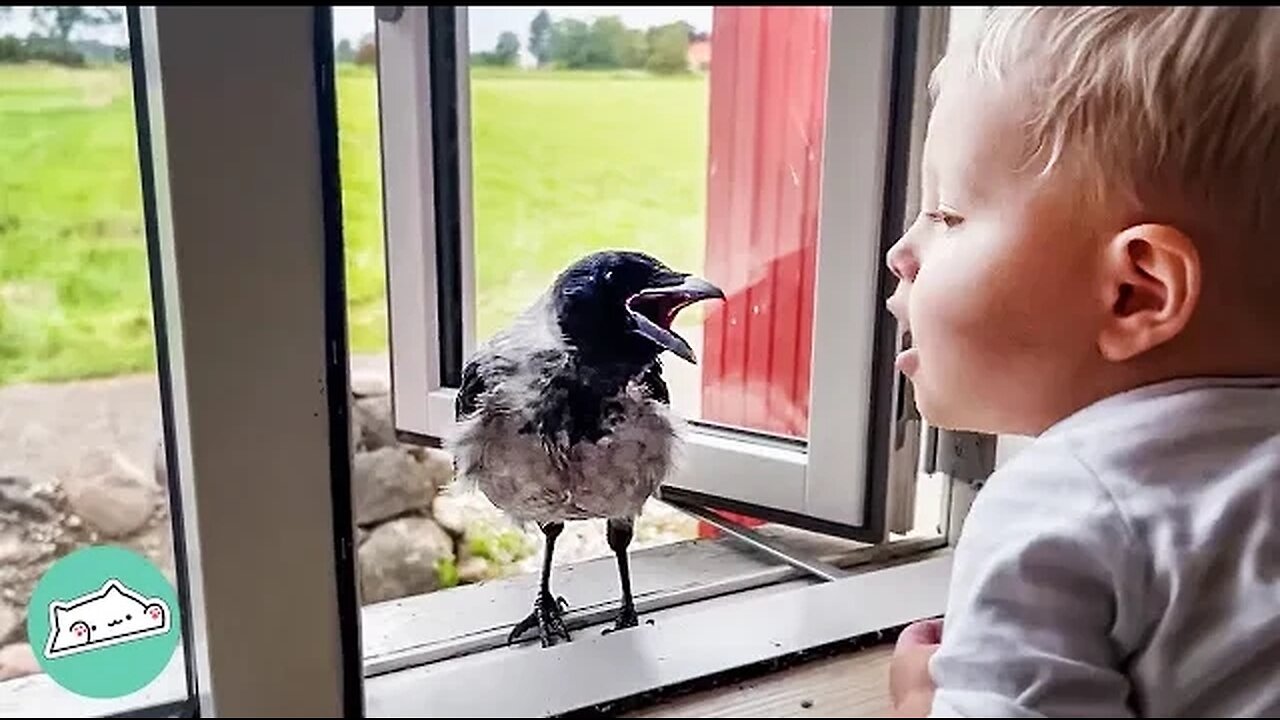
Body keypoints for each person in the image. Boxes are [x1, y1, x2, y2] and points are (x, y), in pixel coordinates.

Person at [882, 6, 1280, 717]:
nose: (901, 255)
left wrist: (921, 708)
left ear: (1136, 292)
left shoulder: (1065, 505)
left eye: (946, 214)